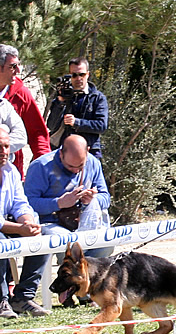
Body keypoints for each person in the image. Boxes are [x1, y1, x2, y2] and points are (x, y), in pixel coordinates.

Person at [11, 135, 112, 315]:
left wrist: (93, 198)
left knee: (105, 245)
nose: (75, 171)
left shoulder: (93, 164)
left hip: (84, 220)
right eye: (70, 166)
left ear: (87, 153)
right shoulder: (41, 166)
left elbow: (106, 197)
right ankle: (63, 290)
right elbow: (27, 203)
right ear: (60, 153)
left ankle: (87, 292)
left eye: (80, 167)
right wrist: (58, 203)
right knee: (61, 242)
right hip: (52, 221)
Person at [0, 130, 41, 318]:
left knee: (42, 239)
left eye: (6, 146)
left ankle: (22, 297)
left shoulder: (11, 171)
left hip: (8, 224)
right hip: (2, 229)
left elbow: (20, 204)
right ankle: (1, 300)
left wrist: (29, 223)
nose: (4, 151)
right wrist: (20, 229)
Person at [0, 44, 50, 178]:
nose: (18, 71)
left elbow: (37, 132)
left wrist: (44, 166)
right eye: (12, 67)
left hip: (11, 173)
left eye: (18, 65)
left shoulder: (21, 94)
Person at [46, 57, 108, 158]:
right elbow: (51, 125)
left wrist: (76, 122)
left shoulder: (97, 98)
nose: (78, 78)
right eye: (74, 75)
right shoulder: (63, 95)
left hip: (88, 150)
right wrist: (60, 102)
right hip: (61, 150)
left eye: (82, 74)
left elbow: (101, 125)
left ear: (88, 74)